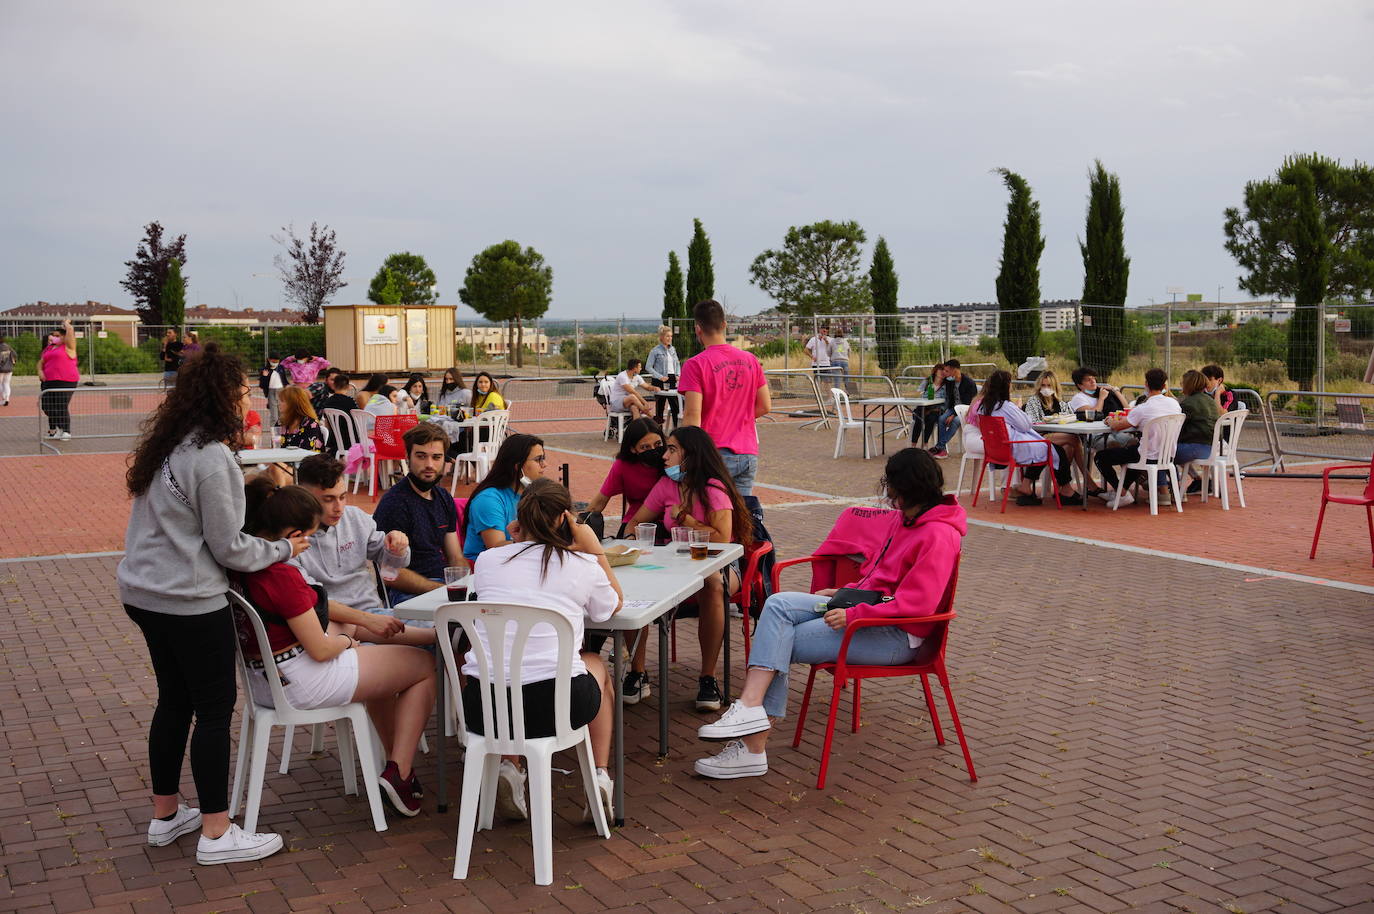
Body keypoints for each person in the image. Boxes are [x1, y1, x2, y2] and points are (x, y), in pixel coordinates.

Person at [118, 341, 309, 865]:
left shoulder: (169, 444)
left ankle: (165, 816)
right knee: (214, 709)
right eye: (243, 389)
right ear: (223, 395)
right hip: (188, 597)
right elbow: (230, 547)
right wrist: (284, 547)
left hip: (143, 590)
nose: (248, 397)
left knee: (173, 701)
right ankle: (218, 832)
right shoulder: (212, 456)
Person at [693, 448, 963, 779]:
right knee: (778, 604)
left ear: (904, 487)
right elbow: (881, 577)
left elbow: (918, 604)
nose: (887, 492)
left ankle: (752, 746)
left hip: (896, 635)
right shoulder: (907, 519)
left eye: (890, 485)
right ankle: (750, 709)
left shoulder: (937, 533)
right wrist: (845, 594)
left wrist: (854, 613)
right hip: (868, 610)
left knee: (780, 640)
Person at [235, 477, 436, 817]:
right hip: (303, 681)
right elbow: (322, 650)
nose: (309, 545)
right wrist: (348, 643)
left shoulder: (242, 565)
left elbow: (322, 619)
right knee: (423, 667)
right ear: (292, 535)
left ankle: (394, 766)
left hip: (265, 683)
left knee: (380, 661)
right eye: (308, 537)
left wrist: (351, 631)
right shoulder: (283, 576)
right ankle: (400, 770)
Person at [464, 478, 622, 824]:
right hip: (556, 706)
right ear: (566, 518)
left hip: (482, 706)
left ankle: (510, 764)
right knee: (594, 664)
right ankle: (599, 774)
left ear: (519, 520)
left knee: (508, 667)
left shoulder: (489, 561)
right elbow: (610, 607)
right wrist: (594, 550)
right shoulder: (581, 566)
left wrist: (517, 538)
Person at [626, 425, 752, 711]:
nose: (664, 456)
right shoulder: (667, 485)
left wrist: (687, 520)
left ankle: (708, 678)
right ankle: (637, 671)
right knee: (635, 583)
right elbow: (636, 521)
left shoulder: (713, 488)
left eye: (672, 450)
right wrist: (635, 539)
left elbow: (722, 537)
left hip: (720, 562)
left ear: (691, 455)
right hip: (675, 562)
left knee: (712, 585)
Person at [293, 456, 437, 644]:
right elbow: (312, 601)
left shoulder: (355, 518)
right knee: (432, 643)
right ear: (304, 496)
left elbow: (394, 566)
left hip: (376, 614)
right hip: (334, 626)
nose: (339, 508)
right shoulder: (292, 539)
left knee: (450, 626)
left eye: (343, 497)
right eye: (328, 499)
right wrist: (367, 620)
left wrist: (397, 548)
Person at [679, 299, 771, 497]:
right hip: (747, 451)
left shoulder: (695, 365)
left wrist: (685, 454)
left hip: (712, 453)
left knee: (710, 518)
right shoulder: (751, 360)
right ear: (724, 325)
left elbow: (692, 416)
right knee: (741, 518)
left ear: (698, 329)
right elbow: (765, 405)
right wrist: (741, 417)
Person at [373, 424, 462, 603]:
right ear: (407, 457)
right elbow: (390, 573)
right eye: (421, 456)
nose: (429, 465)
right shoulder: (395, 503)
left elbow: (455, 556)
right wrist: (441, 590)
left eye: (436, 457)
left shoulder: (444, 497)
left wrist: (462, 586)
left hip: (442, 586)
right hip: (406, 593)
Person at [972, 370, 1084, 506]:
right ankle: (1066, 490)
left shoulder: (984, 407)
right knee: (1055, 451)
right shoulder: (1006, 406)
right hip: (1014, 447)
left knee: (1043, 449)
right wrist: (1018, 412)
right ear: (1006, 386)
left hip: (996, 450)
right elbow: (1025, 425)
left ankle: (1026, 485)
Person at [1094, 368, 1183, 508]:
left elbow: (1118, 426)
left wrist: (1110, 421)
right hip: (1167, 454)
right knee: (1134, 452)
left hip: (1147, 454)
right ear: (1165, 386)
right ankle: (1122, 492)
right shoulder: (1174, 404)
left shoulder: (1144, 408)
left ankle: (1121, 493)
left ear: (1146, 384)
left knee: (1101, 457)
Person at [462, 434, 548, 565]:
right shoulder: (489, 499)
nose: (544, 464)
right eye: (538, 459)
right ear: (518, 466)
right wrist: (539, 542)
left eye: (543, 458)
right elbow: (496, 546)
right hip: (485, 570)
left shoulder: (533, 494)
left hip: (519, 563)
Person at [584, 418, 666, 539]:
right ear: (633, 449)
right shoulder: (623, 466)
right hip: (636, 521)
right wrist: (579, 527)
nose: (653, 450)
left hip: (668, 520)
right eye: (645, 447)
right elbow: (600, 501)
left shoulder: (670, 461)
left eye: (658, 444)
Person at [1021, 370, 1084, 478]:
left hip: (1059, 437)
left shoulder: (1060, 403)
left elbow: (1070, 418)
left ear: (1055, 386)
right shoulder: (1033, 401)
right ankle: (1087, 480)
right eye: (1043, 385)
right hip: (1040, 436)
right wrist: (1049, 420)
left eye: (1049, 385)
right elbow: (1032, 423)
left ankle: (1061, 486)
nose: (1045, 388)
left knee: (1068, 448)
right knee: (1074, 439)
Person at [1175, 369, 1220, 495]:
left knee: (1161, 453)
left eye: (1182, 383)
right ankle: (1195, 480)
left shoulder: (1189, 403)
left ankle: (1168, 489)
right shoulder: (1210, 401)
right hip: (1211, 448)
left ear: (1189, 384)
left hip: (1196, 447)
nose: (1181, 385)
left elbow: (1177, 427)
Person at [39, 320, 79, 440]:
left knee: (61, 405)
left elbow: (70, 333)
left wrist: (66, 324)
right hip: (48, 381)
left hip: (66, 380)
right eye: (53, 335)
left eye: (57, 336)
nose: (53, 337)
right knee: (47, 406)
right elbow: (41, 362)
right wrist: (40, 371)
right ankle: (59, 428)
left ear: (64, 337)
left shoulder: (68, 347)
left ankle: (66, 431)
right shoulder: (50, 348)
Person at [929, 358, 976, 459]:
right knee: (941, 419)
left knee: (954, 421)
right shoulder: (950, 382)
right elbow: (947, 397)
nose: (944, 373)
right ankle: (943, 450)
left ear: (954, 370)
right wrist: (948, 411)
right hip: (953, 408)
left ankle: (939, 447)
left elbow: (968, 404)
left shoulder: (969, 383)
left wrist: (953, 415)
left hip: (966, 410)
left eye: (947, 371)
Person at [645, 326, 681, 426]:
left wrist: (678, 374)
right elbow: (648, 367)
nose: (670, 338)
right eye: (667, 336)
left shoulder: (673, 349)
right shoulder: (655, 351)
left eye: (671, 336)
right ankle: (658, 431)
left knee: (675, 406)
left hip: (672, 380)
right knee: (660, 407)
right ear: (661, 337)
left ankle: (676, 429)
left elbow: (677, 364)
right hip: (659, 381)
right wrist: (660, 376)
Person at [319, 372, 361, 452]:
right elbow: (358, 420)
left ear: (333, 386)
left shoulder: (327, 401)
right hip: (350, 440)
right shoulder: (350, 401)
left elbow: (327, 423)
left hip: (334, 440)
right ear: (348, 387)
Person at [912, 363, 947, 446]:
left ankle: (925, 443)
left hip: (937, 409)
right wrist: (920, 394)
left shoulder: (946, 385)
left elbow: (946, 400)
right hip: (924, 407)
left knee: (931, 419)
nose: (942, 372)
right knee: (919, 418)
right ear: (935, 371)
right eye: (940, 369)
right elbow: (918, 393)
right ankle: (913, 445)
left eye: (944, 370)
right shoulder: (927, 381)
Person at [258, 353, 287, 427]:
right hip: (271, 392)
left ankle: (283, 433)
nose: (275, 363)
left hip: (281, 392)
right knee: (274, 417)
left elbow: (284, 380)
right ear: (268, 360)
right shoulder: (264, 369)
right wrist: (264, 376)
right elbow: (262, 385)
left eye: (276, 361)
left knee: (283, 414)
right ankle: (274, 434)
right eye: (273, 361)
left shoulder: (281, 368)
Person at [0, 334, 14, 406]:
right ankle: (7, 398)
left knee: (0, 384)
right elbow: (15, 354)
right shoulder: (8, 346)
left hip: (1, 369)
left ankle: (3, 398)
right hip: (9, 368)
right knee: (6, 384)